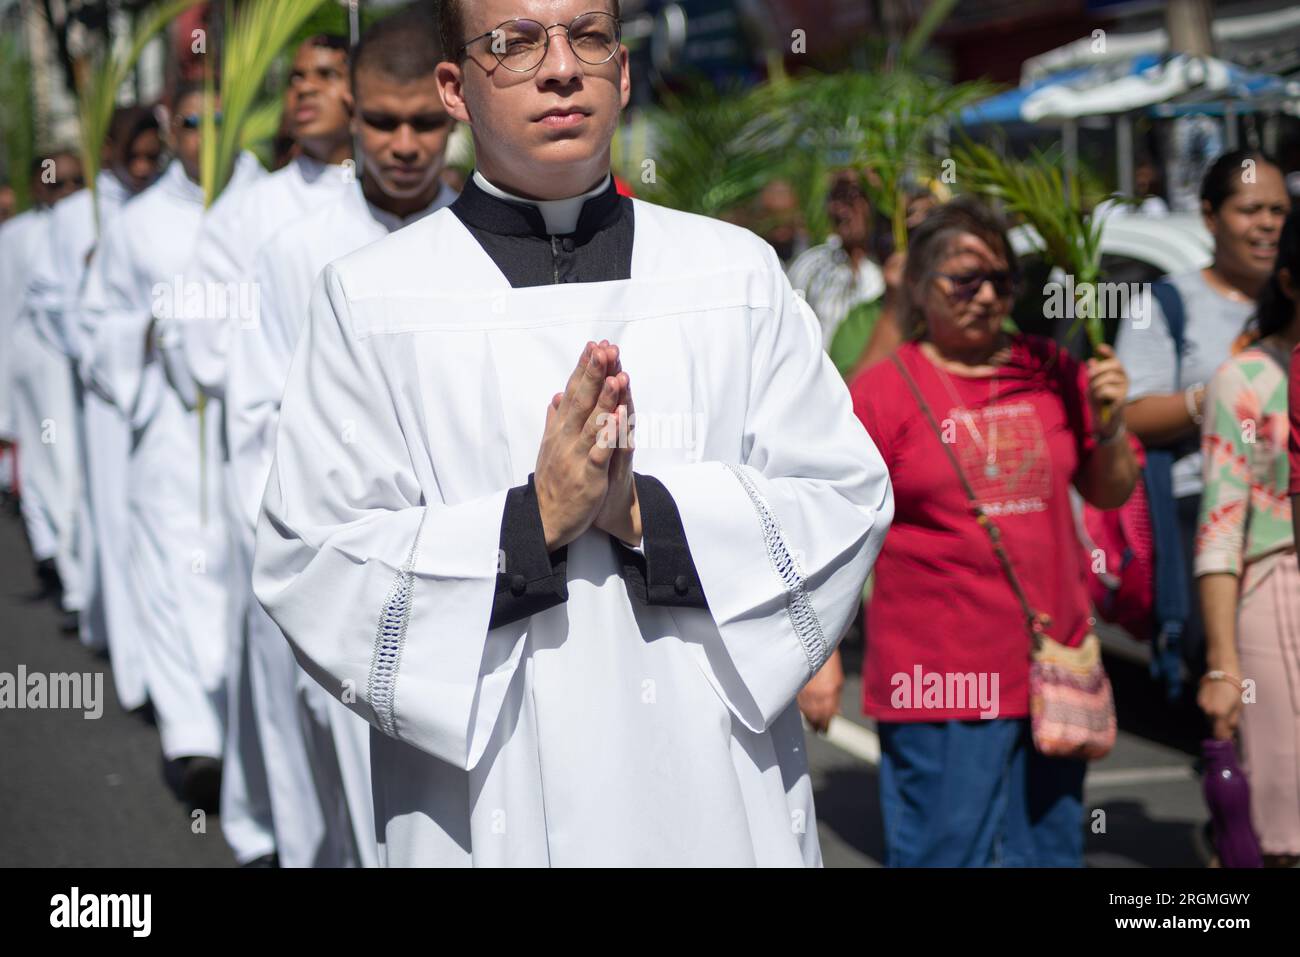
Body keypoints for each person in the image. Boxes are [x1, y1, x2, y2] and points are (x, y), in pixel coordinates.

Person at [252, 0, 892, 867]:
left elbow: (846, 498)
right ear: (455, 88)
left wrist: (645, 515)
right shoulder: (370, 299)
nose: (561, 68)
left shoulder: (732, 274)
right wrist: (533, 522)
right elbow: (312, 562)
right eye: (513, 44)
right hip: (487, 803)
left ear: (623, 73)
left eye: (587, 36)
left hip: (714, 789)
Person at [226, 7, 457, 867]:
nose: (404, 145)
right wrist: (312, 583)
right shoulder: (295, 255)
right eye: (382, 122)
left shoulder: (484, 243)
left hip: (470, 579)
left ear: (455, 107)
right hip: (339, 581)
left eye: (424, 123)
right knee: (337, 816)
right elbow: (256, 430)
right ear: (349, 116)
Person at [850, 197, 1138, 866]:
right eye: (964, 280)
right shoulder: (885, 391)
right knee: (944, 854)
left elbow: (1107, 487)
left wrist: (1114, 422)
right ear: (919, 287)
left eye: (1001, 281)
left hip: (1050, 669)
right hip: (938, 683)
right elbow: (834, 528)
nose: (986, 296)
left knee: (1049, 852)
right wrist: (823, 656)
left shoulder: (1050, 369)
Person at [178, 33, 354, 869]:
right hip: (281, 473)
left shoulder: (428, 204)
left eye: (328, 74)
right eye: (298, 78)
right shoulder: (250, 215)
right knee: (282, 688)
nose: (307, 91)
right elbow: (210, 344)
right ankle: (280, 840)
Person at [79, 84, 261, 809]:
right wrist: (150, 334)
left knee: (237, 577)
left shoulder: (271, 207)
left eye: (222, 120)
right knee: (172, 574)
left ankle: (249, 734)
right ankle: (195, 741)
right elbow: (100, 324)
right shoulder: (138, 224)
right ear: (170, 130)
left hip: (248, 426)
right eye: (192, 122)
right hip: (169, 426)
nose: (206, 134)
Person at [1117, 150, 1291, 681]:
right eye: (1251, 209)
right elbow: (1131, 415)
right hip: (1207, 507)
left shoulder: (1291, 300)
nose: (1267, 224)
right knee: (1237, 674)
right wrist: (1219, 394)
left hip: (1287, 504)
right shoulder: (1166, 303)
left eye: (1280, 211)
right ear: (1211, 217)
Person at [25, 107, 164, 657]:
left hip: (162, 386)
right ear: (107, 150)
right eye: (132, 156)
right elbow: (48, 297)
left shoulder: (158, 208)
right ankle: (114, 631)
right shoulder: (76, 215)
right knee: (107, 507)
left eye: (152, 157)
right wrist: (98, 347)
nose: (141, 168)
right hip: (106, 387)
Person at [1197, 209, 1300, 867]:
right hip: (1276, 602)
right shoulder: (1245, 381)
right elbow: (1219, 530)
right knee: (1285, 831)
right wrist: (1223, 664)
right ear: (1289, 282)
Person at [1, 152, 83, 606]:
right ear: (38, 188)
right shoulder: (16, 237)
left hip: (81, 371)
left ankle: (66, 564)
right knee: (46, 468)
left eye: (77, 183)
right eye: (57, 185)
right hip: (33, 367)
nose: (68, 193)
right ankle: (60, 566)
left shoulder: (94, 223)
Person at [787, 169, 886, 355]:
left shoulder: (894, 268)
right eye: (834, 199)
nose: (840, 210)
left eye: (850, 199)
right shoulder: (810, 266)